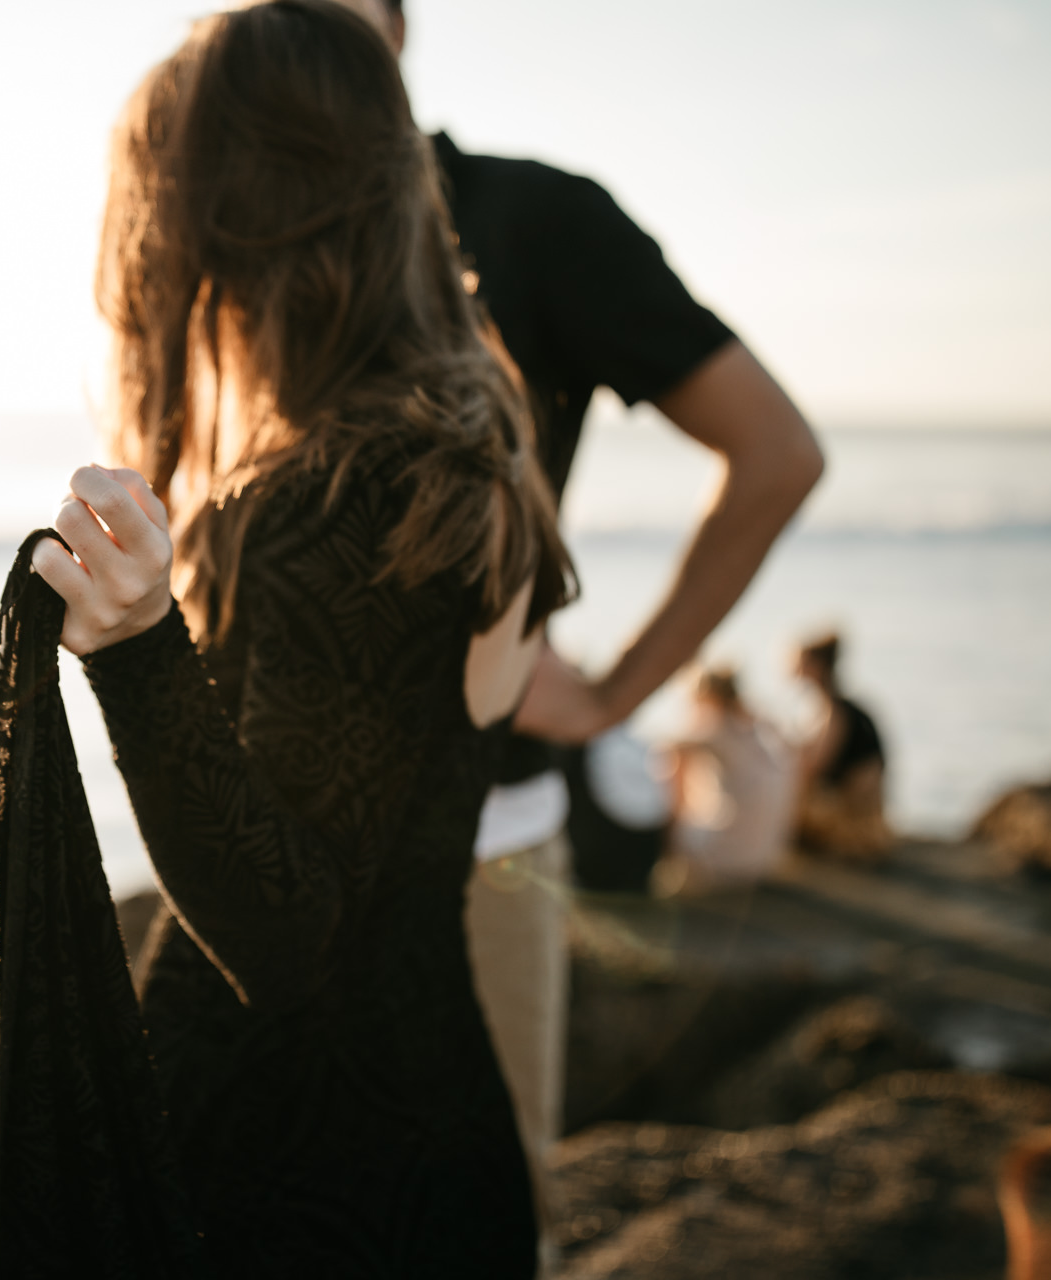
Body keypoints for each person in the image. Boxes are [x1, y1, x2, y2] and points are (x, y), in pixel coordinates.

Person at [30, 2, 573, 1272]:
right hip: (436, 1139)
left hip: (295, 1186)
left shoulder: (346, 490)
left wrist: (136, 649)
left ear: (225, 215)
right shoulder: (476, 434)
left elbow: (286, 939)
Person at [333, 0, 827, 1232]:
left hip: (480, 835)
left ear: (396, 25)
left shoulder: (532, 220)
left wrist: (613, 694)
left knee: (482, 1227)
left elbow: (776, 454)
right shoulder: (209, 230)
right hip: (250, 839)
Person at [656, 665, 795, 895]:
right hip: (764, 858)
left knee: (675, 766)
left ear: (706, 698)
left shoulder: (715, 726)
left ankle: (667, 853)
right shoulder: (758, 729)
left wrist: (673, 817)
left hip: (725, 858)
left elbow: (667, 748)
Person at [793, 631, 892, 861]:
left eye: (802, 662)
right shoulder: (836, 708)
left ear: (817, 667)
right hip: (864, 815)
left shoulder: (835, 713)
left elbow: (812, 770)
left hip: (855, 822)